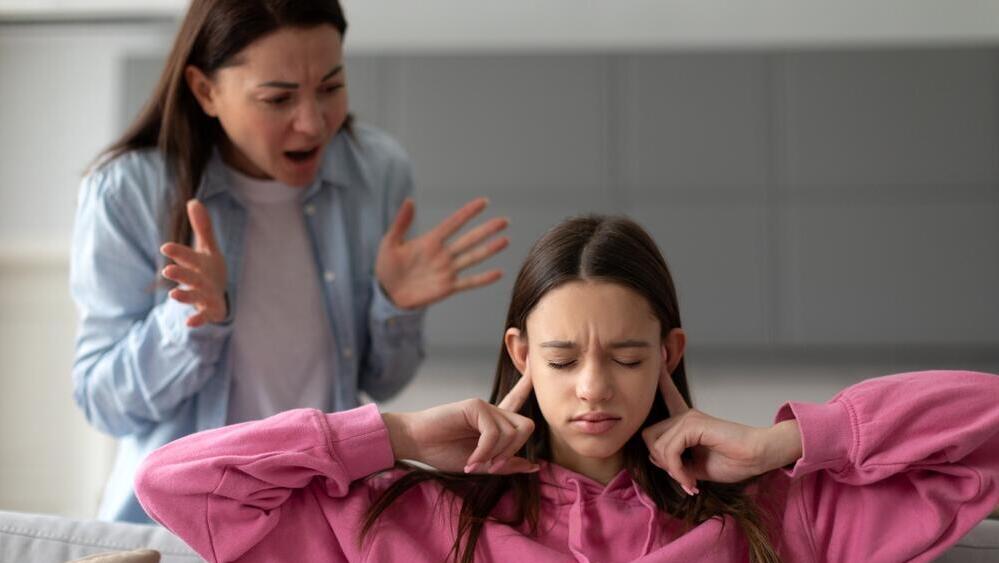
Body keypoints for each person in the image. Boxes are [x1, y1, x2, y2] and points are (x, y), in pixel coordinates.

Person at [135, 215, 999, 562]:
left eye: (625, 356)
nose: (593, 387)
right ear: (518, 355)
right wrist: (395, 436)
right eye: (560, 359)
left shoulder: (768, 515)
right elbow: (175, 485)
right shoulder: (420, 519)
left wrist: (785, 441)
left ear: (668, 354)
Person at [70, 0, 509, 524]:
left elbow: (382, 383)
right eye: (278, 98)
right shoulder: (127, 191)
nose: (313, 122)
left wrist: (394, 306)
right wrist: (189, 322)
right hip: (180, 529)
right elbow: (102, 402)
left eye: (331, 87)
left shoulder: (377, 170)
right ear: (205, 90)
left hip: (328, 524)